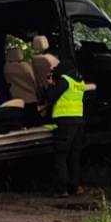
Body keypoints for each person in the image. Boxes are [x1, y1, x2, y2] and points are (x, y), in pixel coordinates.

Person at [46, 54, 87, 196]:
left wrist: (51, 84)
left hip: (65, 122)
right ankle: (74, 186)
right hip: (78, 121)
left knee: (61, 154)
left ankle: (61, 188)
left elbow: (51, 96)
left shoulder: (64, 81)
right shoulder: (79, 83)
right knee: (74, 155)